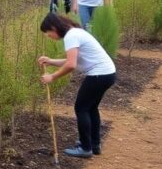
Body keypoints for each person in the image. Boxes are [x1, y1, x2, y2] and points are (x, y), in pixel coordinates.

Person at [38, 12, 117, 158]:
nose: (51, 38)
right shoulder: (75, 33)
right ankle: (94, 145)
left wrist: (52, 77)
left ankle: (85, 147)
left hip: (98, 75)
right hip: (107, 74)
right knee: (91, 108)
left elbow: (71, 65)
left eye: (49, 34)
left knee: (81, 108)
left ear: (54, 28)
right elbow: (73, 60)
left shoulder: (71, 36)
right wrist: (51, 61)